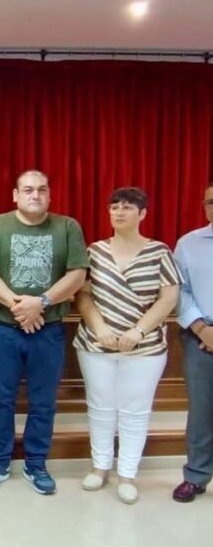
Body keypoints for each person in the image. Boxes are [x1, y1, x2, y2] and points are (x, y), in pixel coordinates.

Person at [0, 169, 88, 495]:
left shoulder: (67, 227)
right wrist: (20, 306)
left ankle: (36, 464)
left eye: (41, 190)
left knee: (43, 402)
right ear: (15, 195)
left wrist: (41, 302)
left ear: (50, 195)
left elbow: (78, 273)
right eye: (27, 190)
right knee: (1, 399)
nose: (34, 195)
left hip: (48, 330)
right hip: (4, 330)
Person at [74, 187, 180, 504]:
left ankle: (128, 472)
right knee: (100, 406)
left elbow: (169, 297)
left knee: (135, 410)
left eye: (128, 207)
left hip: (144, 348)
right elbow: (83, 295)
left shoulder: (159, 252)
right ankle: (100, 466)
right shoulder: (94, 252)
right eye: (114, 207)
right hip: (96, 343)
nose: (119, 212)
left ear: (143, 214)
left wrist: (138, 330)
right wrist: (101, 328)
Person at [172, 182, 213, 503]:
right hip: (202, 337)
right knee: (201, 411)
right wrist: (201, 328)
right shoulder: (189, 243)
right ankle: (197, 476)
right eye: (211, 202)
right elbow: (180, 292)